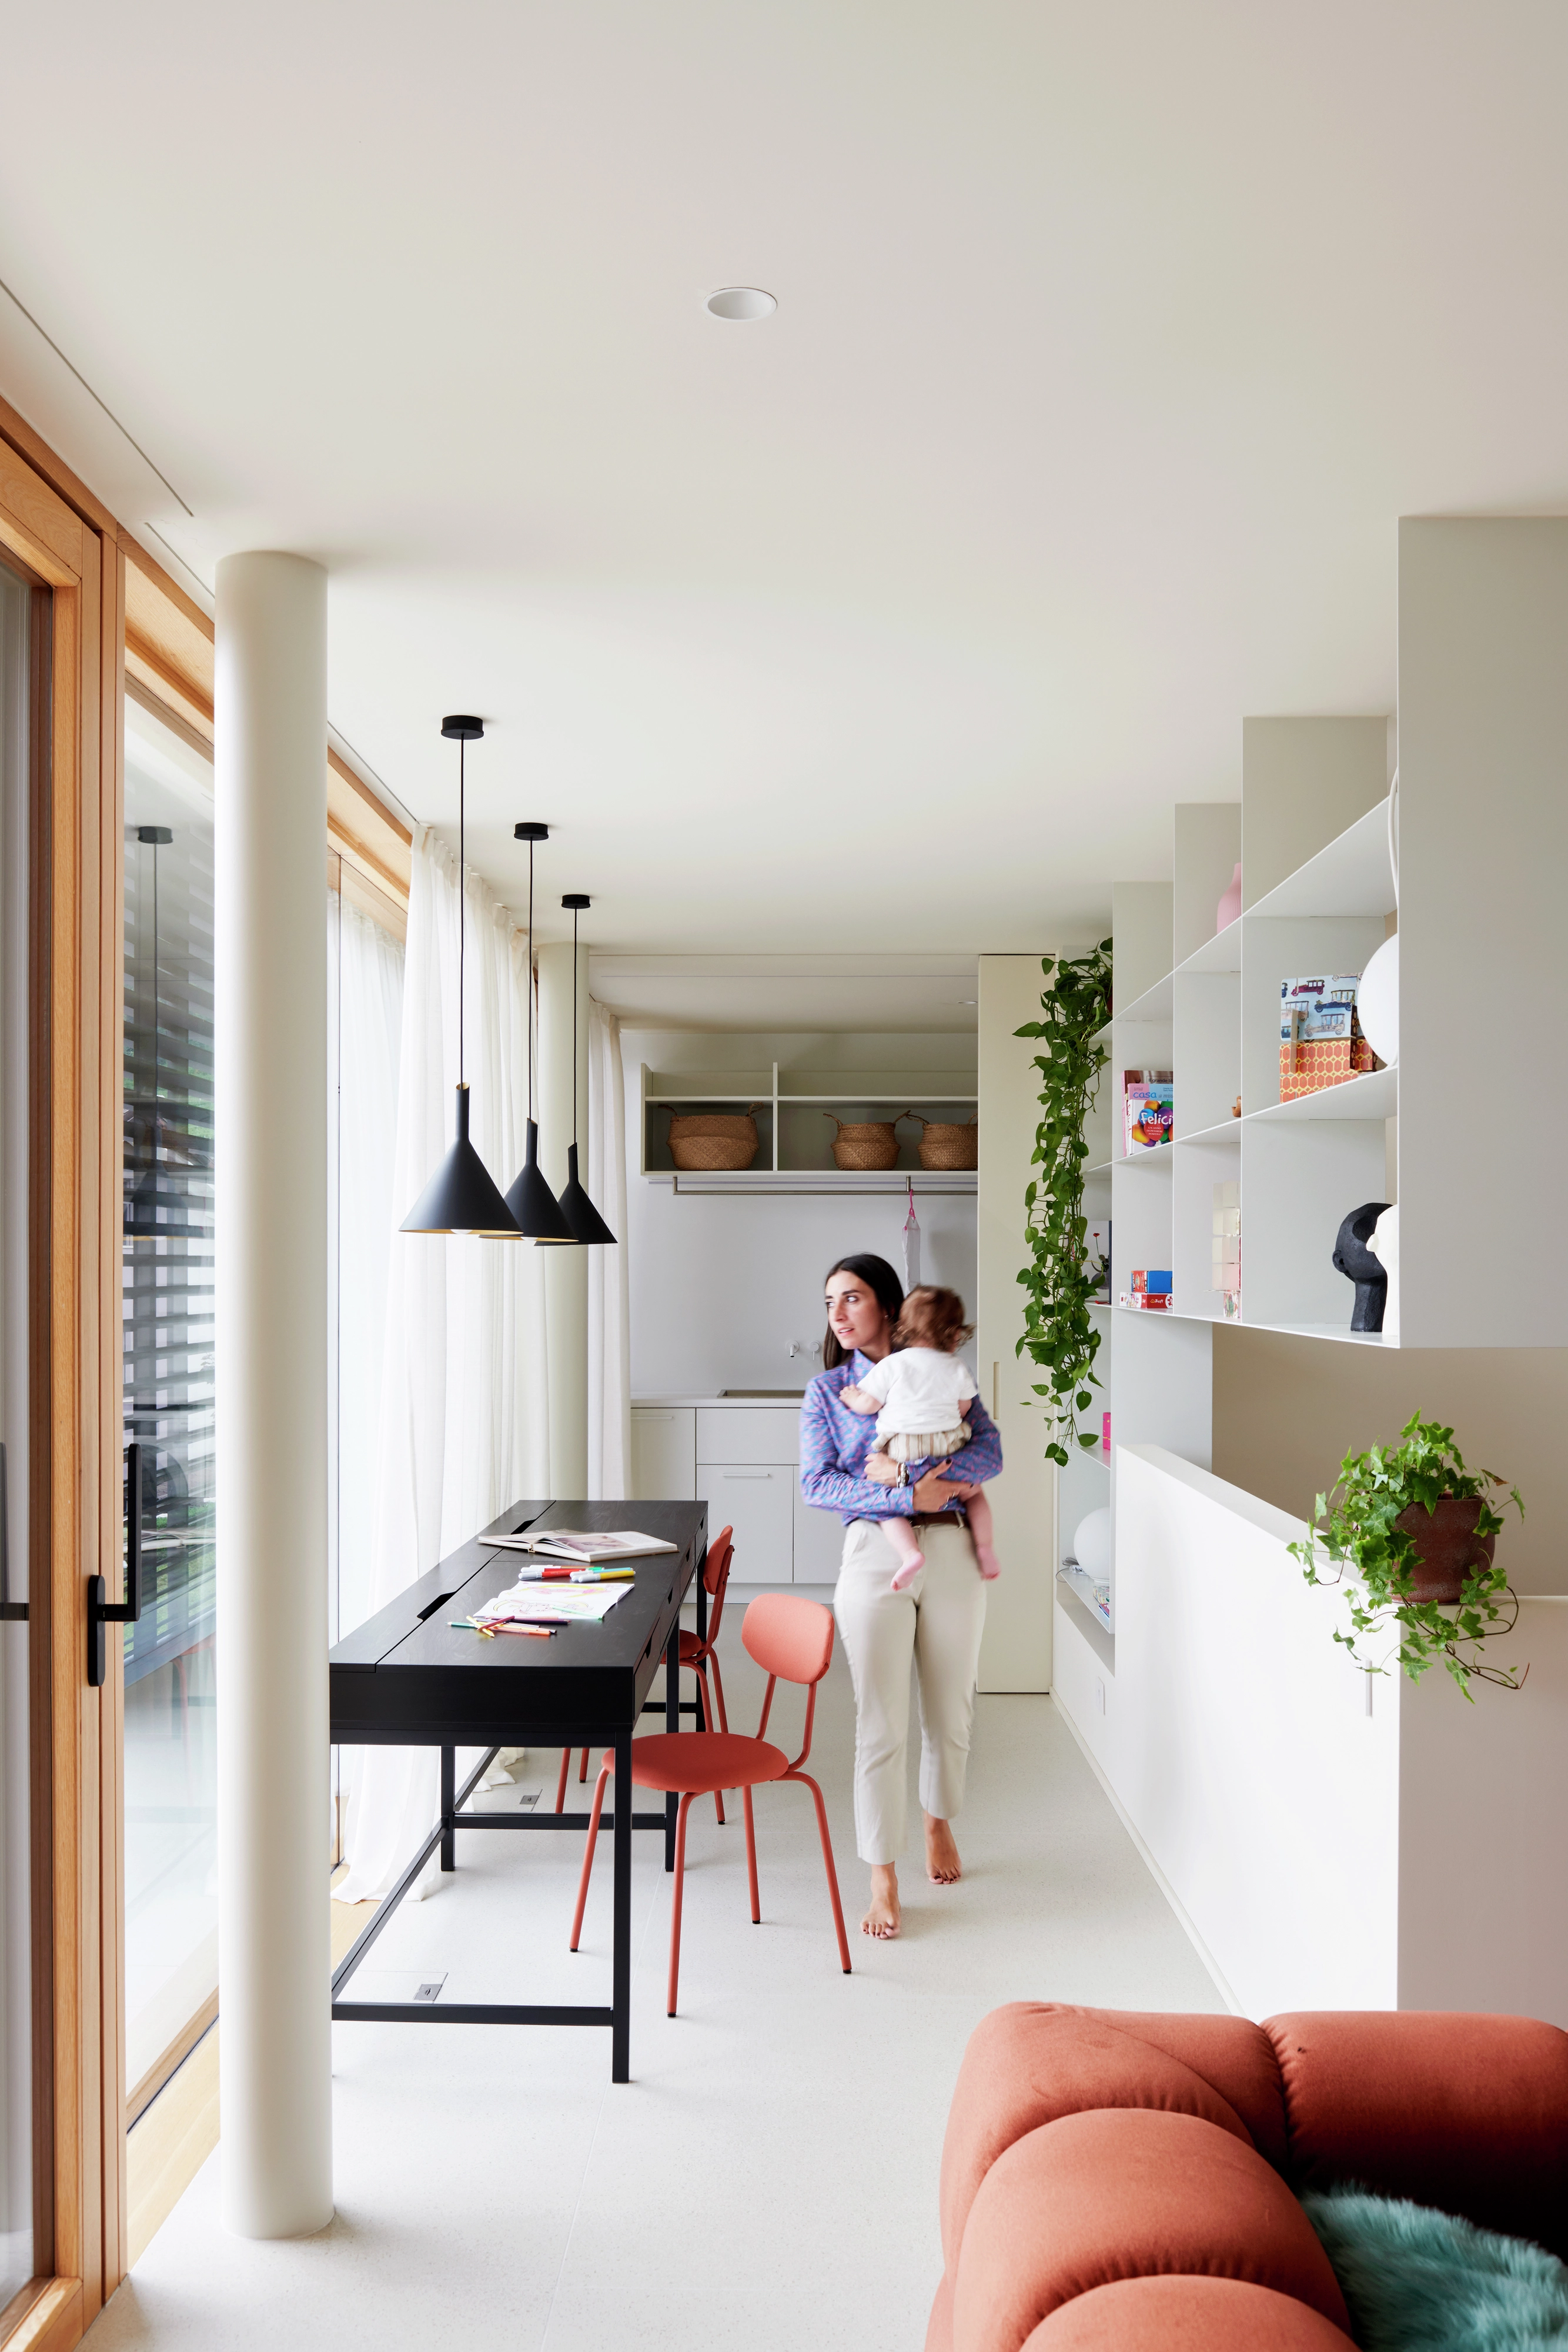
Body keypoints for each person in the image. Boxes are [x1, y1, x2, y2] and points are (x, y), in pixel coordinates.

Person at [799, 1253, 1002, 1940]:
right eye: (830, 1301)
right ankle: (883, 1871)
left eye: (851, 1298)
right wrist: (897, 1494)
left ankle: (937, 1820)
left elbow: (991, 1452)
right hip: (873, 1551)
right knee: (878, 1723)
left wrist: (916, 1477)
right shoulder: (828, 1390)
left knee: (951, 1713)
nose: (837, 1313)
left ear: (887, 1304)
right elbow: (817, 1483)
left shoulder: (944, 1366)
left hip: (949, 1544)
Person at [839, 1284, 1001, 1589]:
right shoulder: (957, 1367)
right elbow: (964, 1408)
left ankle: (910, 1554)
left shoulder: (892, 1365)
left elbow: (868, 1405)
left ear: (904, 1328)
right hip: (947, 1445)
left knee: (885, 1506)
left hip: (902, 1449)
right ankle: (985, 1548)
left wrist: (851, 1398)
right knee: (974, 1493)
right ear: (954, 1334)